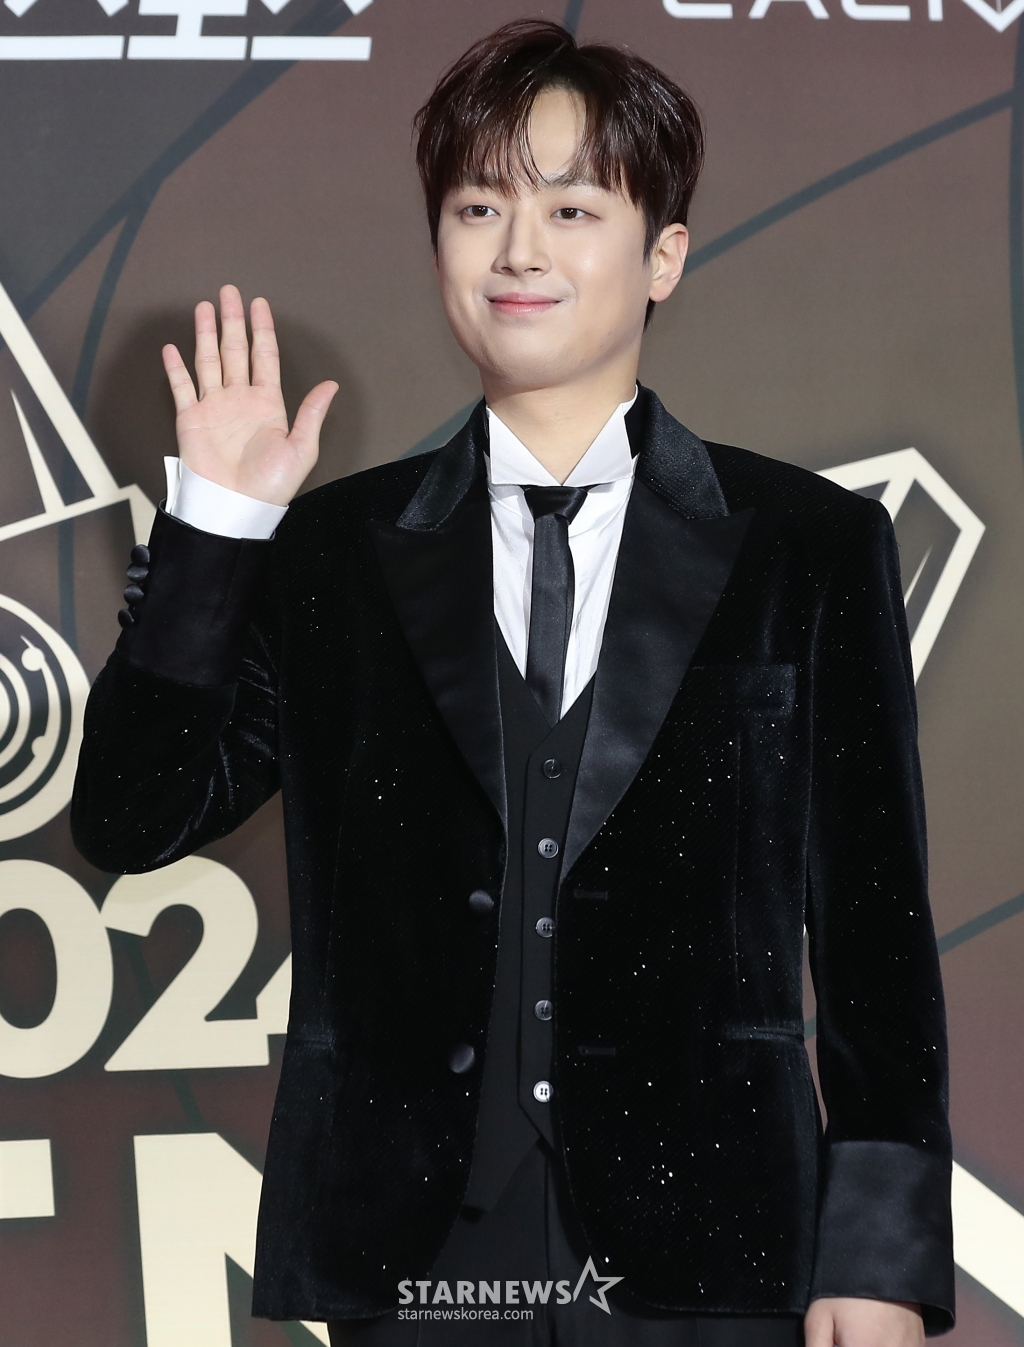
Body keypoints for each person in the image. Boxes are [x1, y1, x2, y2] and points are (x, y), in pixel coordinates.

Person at [71, 19, 954, 1347]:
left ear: (664, 255)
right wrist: (218, 531)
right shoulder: (331, 555)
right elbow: (130, 819)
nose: (519, 250)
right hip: (414, 1261)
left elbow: (877, 930)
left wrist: (877, 1257)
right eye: (479, 207)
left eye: (572, 209)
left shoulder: (809, 546)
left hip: (715, 1255)